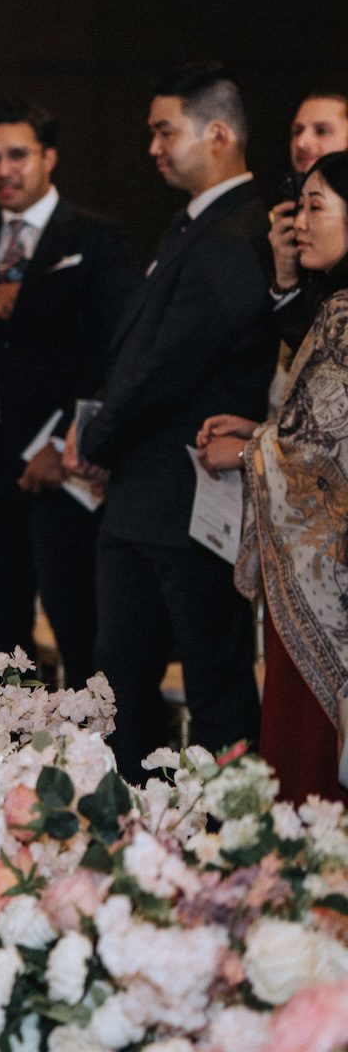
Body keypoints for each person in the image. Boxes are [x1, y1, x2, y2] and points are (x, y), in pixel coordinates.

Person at [69, 63, 271, 780]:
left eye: (165, 131)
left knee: (214, 685)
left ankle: (225, 846)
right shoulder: (196, 226)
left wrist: (97, 437)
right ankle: (132, 832)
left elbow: (169, 366)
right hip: (146, 497)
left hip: (189, 504)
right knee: (121, 682)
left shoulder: (233, 232)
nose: (153, 147)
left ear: (217, 134)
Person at [0, 100, 138, 681]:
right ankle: (5, 760)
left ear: (48, 157)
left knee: (80, 627)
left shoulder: (95, 239)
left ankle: (97, 760)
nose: (3, 169)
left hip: (62, 468)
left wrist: (68, 443)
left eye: (17, 154)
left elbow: (121, 357)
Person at [197, 151, 348, 804]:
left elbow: (325, 453)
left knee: (310, 773)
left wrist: (246, 452)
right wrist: (264, 433)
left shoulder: (345, 315)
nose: (301, 222)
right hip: (320, 578)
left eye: (318, 207)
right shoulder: (335, 306)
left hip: (328, 590)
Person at [270, 91, 348, 353]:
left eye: (321, 130)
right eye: (297, 131)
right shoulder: (282, 221)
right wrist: (285, 279)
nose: (303, 142)